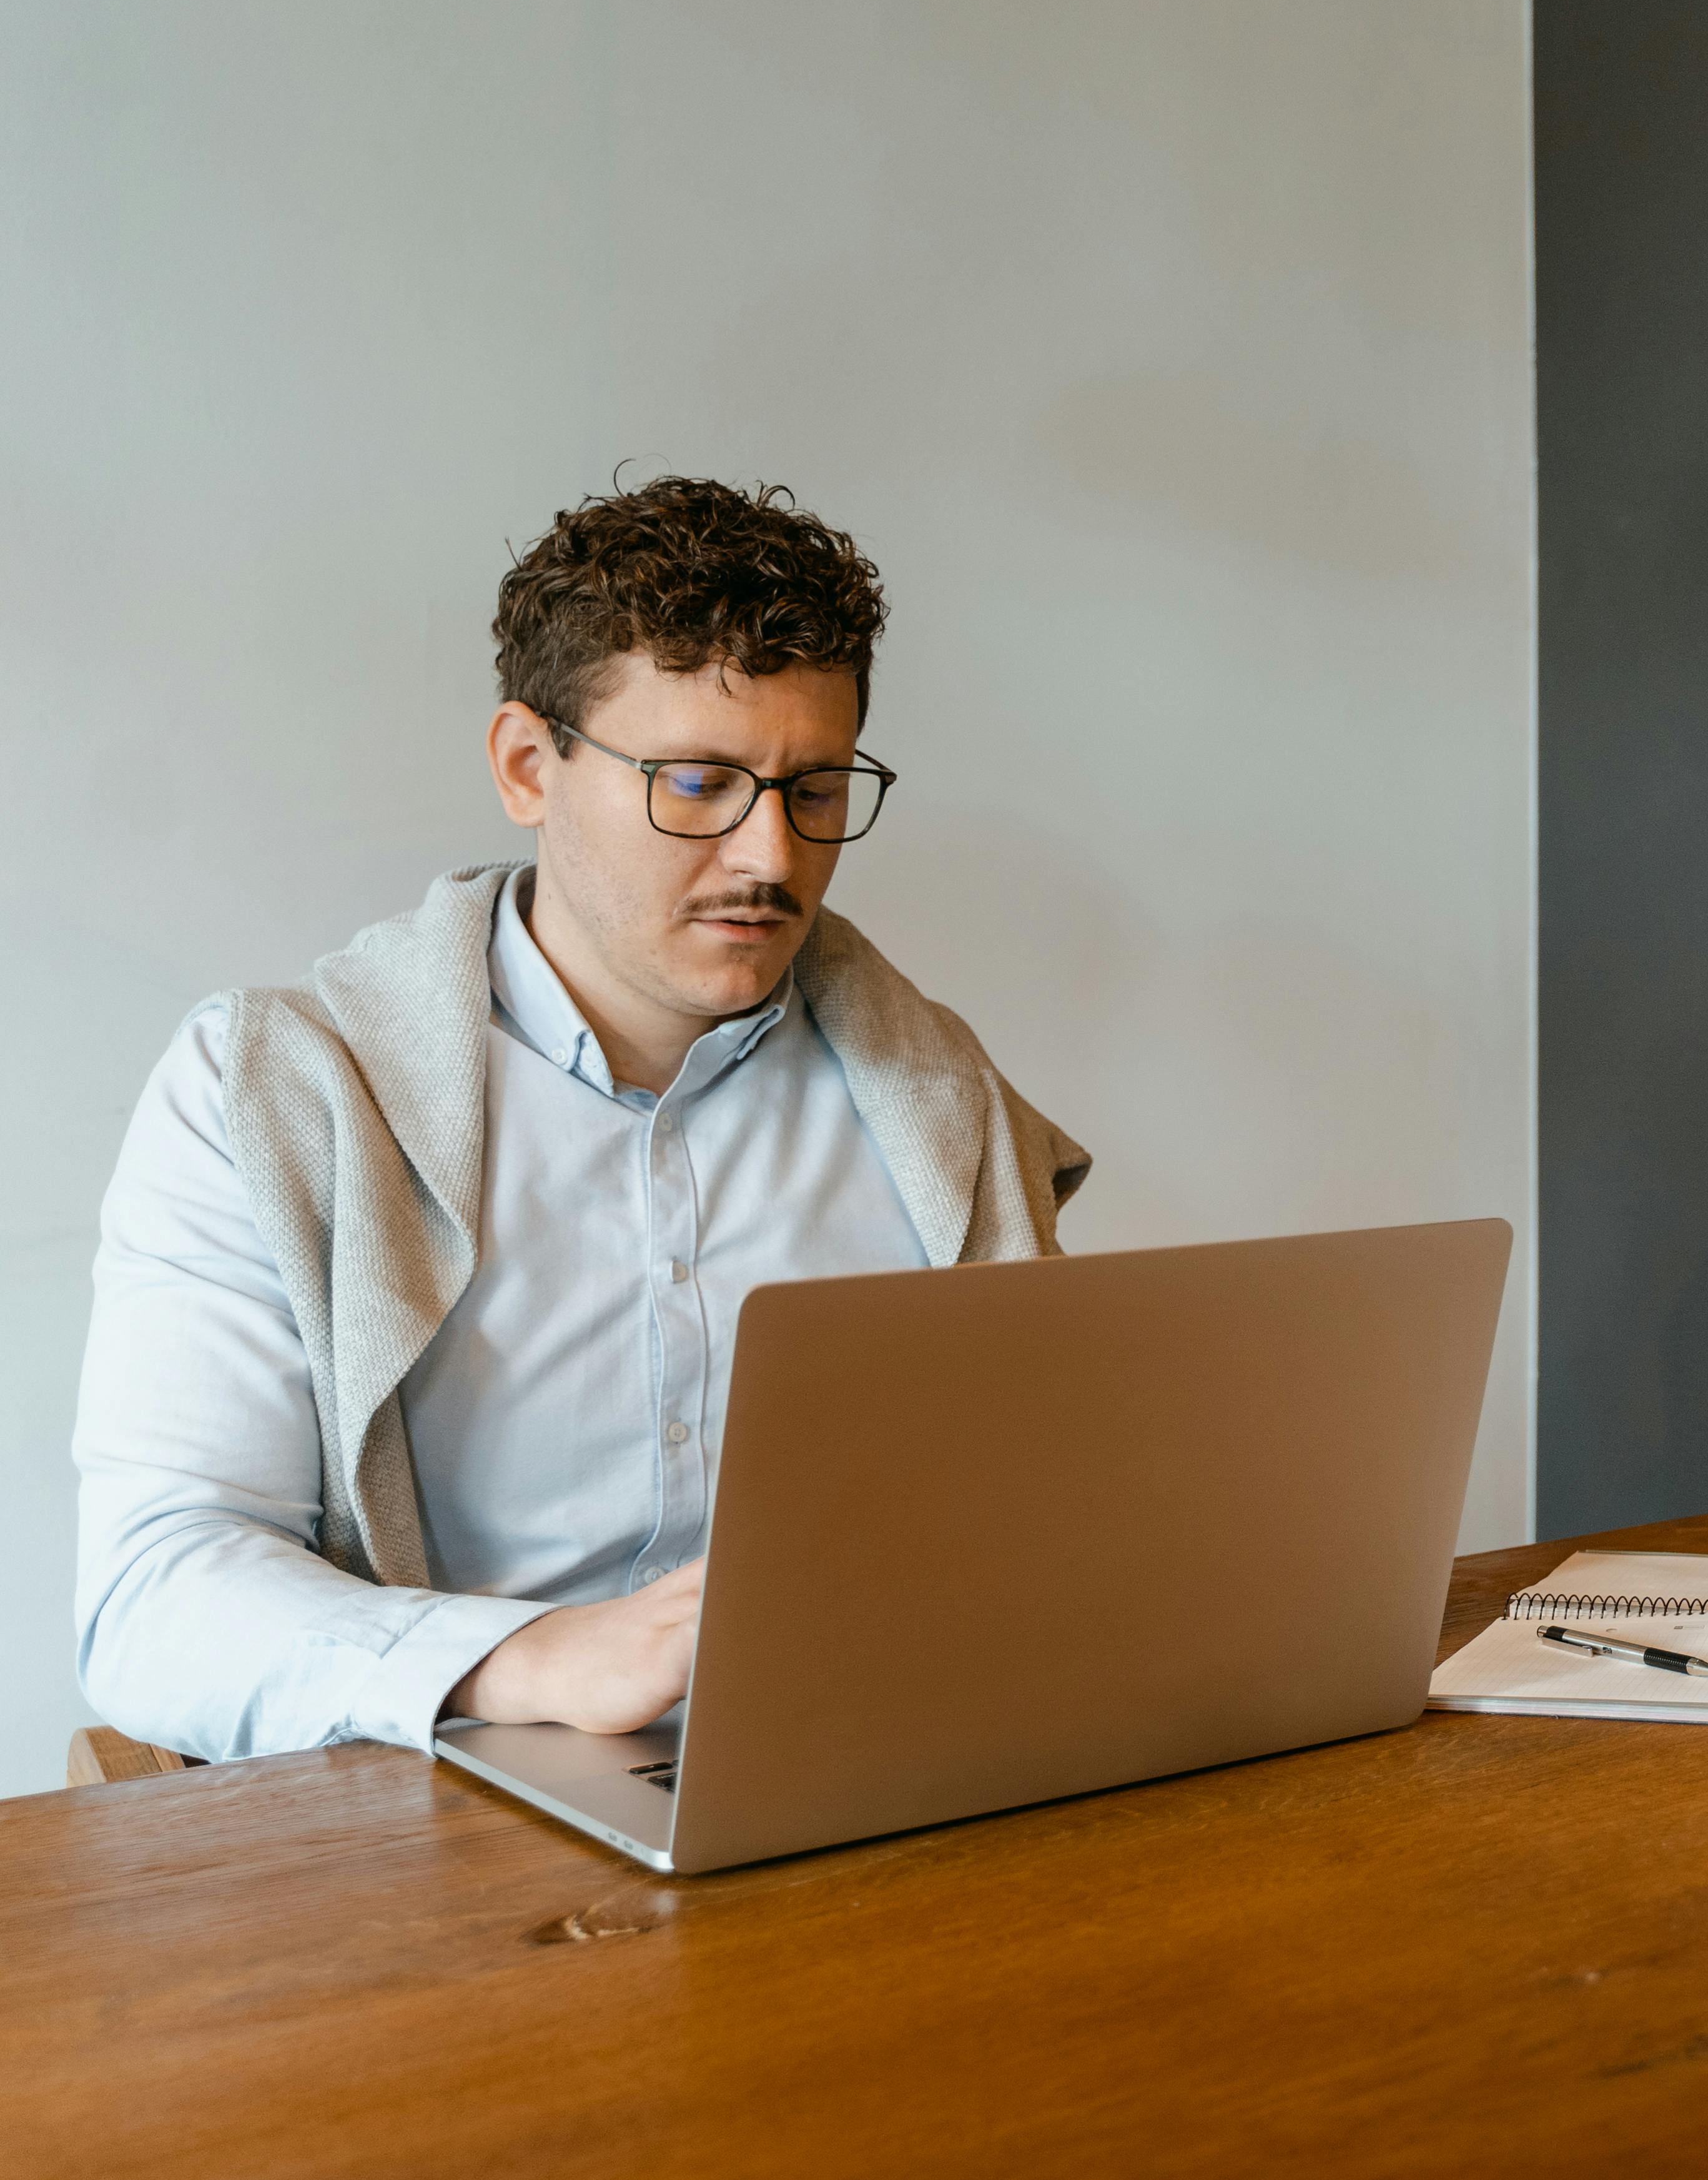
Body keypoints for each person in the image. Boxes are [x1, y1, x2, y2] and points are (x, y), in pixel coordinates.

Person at [74, 477, 1085, 1762]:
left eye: (815, 787)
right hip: (433, 1812)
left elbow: (1038, 1511)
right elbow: (155, 1590)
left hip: (865, 1774)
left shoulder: (939, 1104)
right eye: (699, 782)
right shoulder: (265, 1096)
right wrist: (530, 1657)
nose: (771, 856)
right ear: (525, 766)